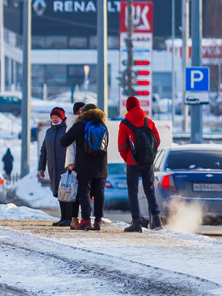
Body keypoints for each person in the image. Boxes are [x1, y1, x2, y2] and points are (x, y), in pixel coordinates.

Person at [60, 102, 109, 231]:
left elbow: (64, 141)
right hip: (101, 166)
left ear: (84, 113)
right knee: (99, 193)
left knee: (84, 192)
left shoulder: (80, 125)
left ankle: (86, 220)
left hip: (85, 165)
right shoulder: (103, 125)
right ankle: (98, 221)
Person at [117, 95, 163, 232]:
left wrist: (129, 158)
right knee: (150, 190)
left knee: (133, 192)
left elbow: (122, 146)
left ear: (128, 107)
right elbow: (157, 141)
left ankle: (136, 223)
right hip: (148, 162)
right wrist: (150, 155)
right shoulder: (148, 122)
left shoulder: (125, 124)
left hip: (133, 163)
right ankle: (157, 221)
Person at [36, 107, 70, 227]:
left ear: (62, 117)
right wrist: (41, 168)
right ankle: (63, 218)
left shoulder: (67, 130)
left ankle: (69, 218)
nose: (54, 120)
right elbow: (43, 151)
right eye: (52, 118)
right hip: (53, 168)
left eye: (57, 117)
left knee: (67, 192)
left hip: (66, 168)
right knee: (59, 193)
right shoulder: (49, 132)